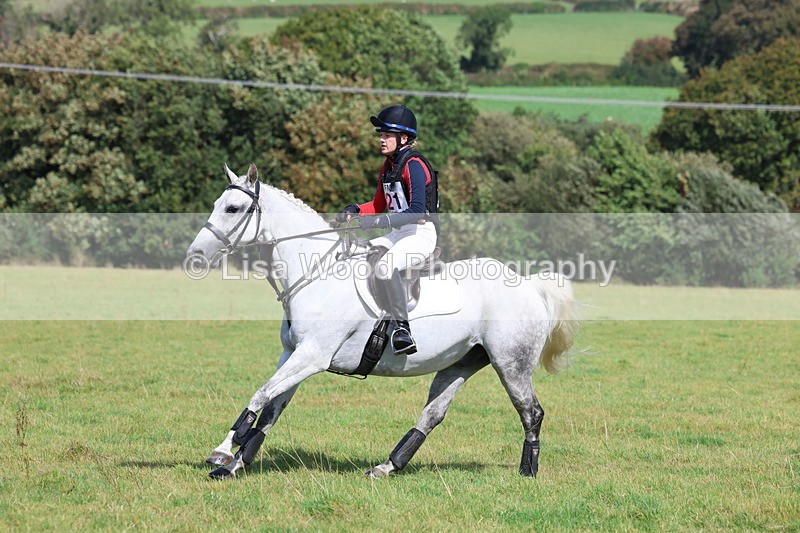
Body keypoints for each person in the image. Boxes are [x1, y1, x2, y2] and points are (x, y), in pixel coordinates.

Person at [336, 104, 438, 356]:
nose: (381, 139)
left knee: (385, 266)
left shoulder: (413, 164)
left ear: (403, 138)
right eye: (380, 135)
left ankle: (403, 329)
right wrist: (356, 210)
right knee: (359, 256)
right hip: (397, 233)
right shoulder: (388, 167)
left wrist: (378, 223)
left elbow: (416, 211)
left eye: (386, 135)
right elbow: (379, 205)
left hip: (419, 232)